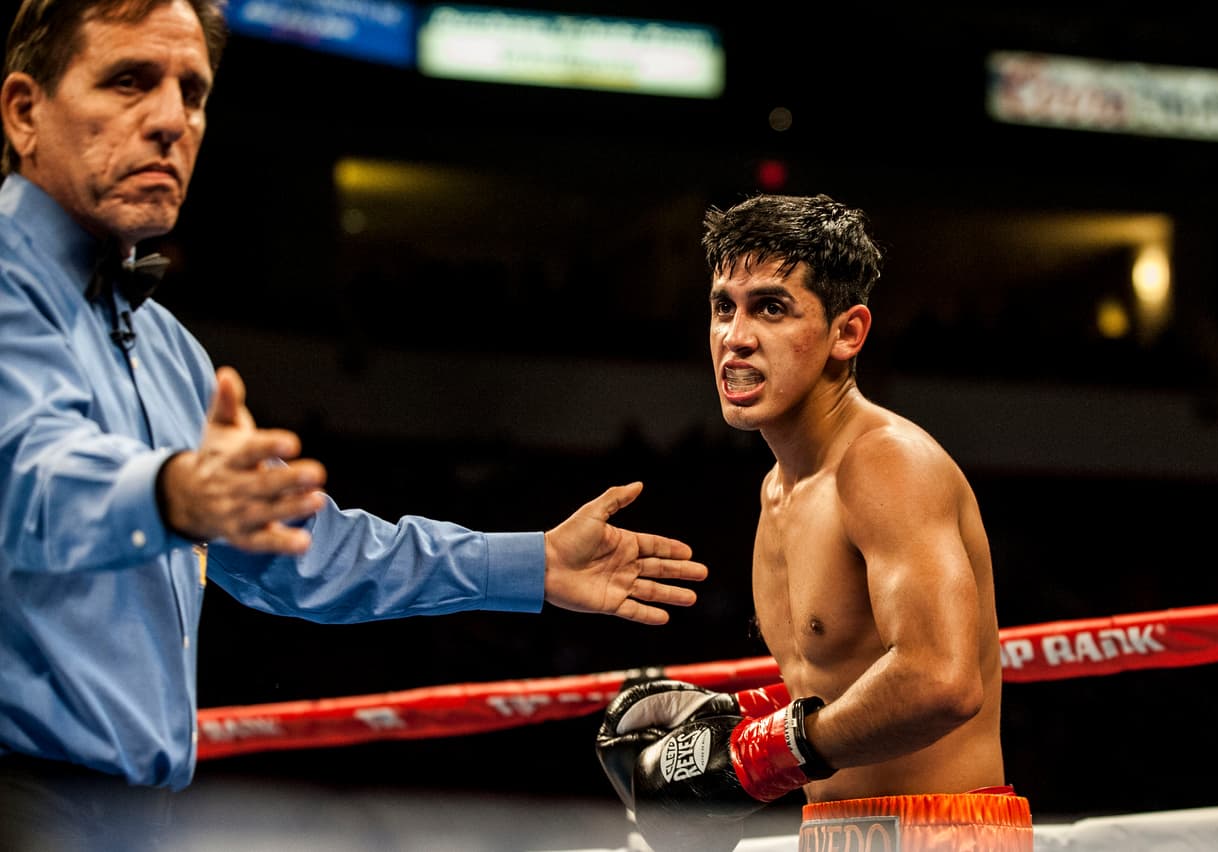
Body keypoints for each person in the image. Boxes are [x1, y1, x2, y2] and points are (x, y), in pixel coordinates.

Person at [0, 0, 708, 844]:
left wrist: (532, 563)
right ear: (24, 111)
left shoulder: (168, 352)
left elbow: (311, 555)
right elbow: (32, 478)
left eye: (192, 92)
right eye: (128, 81)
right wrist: (173, 492)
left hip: (130, 814)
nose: (169, 120)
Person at [595, 194, 1032, 851]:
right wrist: (739, 720)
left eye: (771, 307)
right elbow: (837, 681)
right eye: (724, 307)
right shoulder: (780, 492)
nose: (736, 337)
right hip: (830, 834)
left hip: (942, 835)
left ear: (847, 332)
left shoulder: (886, 462)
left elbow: (942, 679)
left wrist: (753, 761)